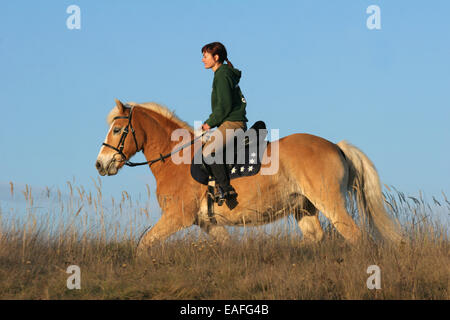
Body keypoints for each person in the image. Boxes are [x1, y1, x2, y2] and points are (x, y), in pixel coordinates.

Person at [200, 42, 248, 205]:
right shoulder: (223, 74)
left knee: (207, 152)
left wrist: (209, 123)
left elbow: (224, 106)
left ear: (216, 57)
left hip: (233, 123)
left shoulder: (222, 74)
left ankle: (226, 189)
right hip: (230, 122)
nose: (202, 60)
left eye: (205, 56)